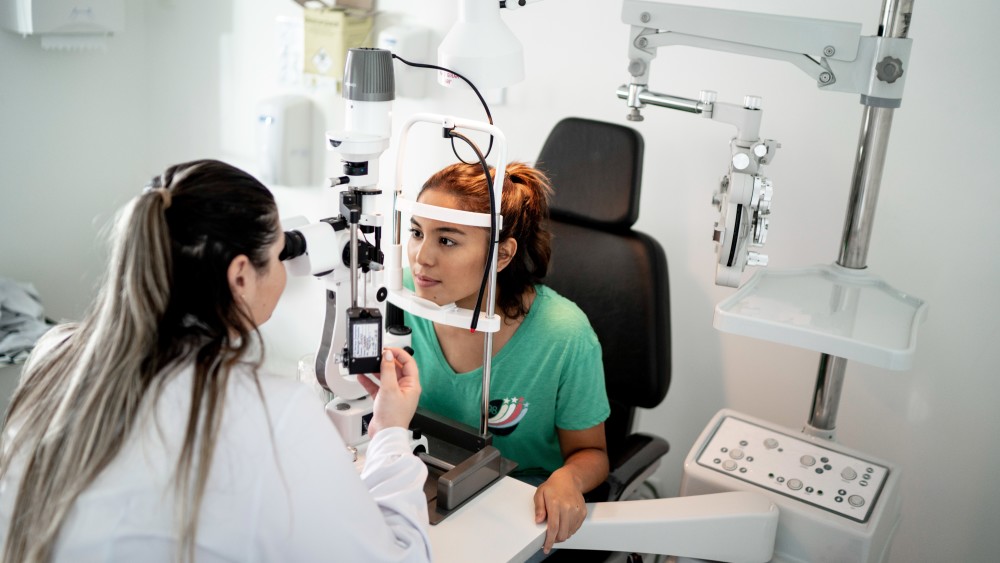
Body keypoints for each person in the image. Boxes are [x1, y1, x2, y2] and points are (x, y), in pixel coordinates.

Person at [0, 159, 430, 563]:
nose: (284, 270)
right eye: (280, 254)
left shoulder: (52, 354)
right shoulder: (275, 412)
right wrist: (390, 434)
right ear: (240, 275)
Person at [404, 161, 610, 555]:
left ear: (502, 255)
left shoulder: (564, 335)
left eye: (446, 240)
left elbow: (593, 454)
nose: (421, 257)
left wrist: (569, 478)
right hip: (421, 486)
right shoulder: (400, 297)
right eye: (417, 232)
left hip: (516, 511)